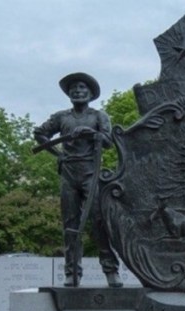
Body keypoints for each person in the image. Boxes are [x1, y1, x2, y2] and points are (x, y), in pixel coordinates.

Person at [34, 72, 121, 288]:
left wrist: (91, 133)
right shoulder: (61, 117)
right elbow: (40, 134)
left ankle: (111, 270)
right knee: (70, 226)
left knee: (98, 222)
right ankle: (72, 273)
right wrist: (59, 154)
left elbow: (109, 141)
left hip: (91, 172)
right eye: (73, 88)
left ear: (90, 93)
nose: (78, 91)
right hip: (69, 174)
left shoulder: (99, 116)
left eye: (82, 87)